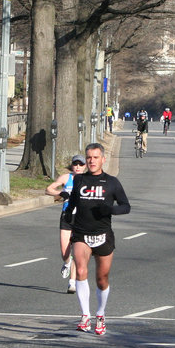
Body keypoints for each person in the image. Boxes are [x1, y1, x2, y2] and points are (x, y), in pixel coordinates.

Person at [68, 143, 131, 335]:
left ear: (103, 159)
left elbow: (126, 206)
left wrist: (110, 210)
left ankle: (100, 314)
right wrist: (67, 221)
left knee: (102, 279)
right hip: (81, 233)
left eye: (95, 157)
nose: (91, 161)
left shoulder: (112, 182)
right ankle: (85, 315)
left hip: (103, 235)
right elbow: (71, 204)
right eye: (89, 157)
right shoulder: (78, 181)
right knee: (80, 270)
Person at [46, 155, 87, 293]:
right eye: (75, 164)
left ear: (85, 166)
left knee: (76, 250)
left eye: (81, 165)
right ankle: (67, 263)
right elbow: (48, 189)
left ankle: (72, 283)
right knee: (65, 251)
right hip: (67, 216)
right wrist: (61, 193)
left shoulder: (88, 179)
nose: (78, 167)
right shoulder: (66, 178)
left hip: (81, 218)